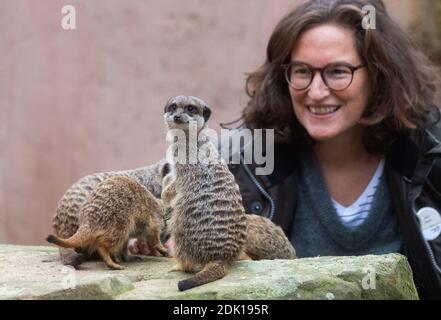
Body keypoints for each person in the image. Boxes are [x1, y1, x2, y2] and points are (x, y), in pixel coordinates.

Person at [132, 0, 441, 299]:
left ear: (378, 74)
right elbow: (145, 191)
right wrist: (142, 237)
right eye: (302, 71)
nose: (317, 92)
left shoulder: (430, 153)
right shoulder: (244, 154)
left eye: (337, 72)